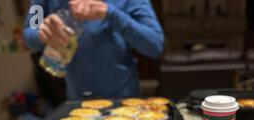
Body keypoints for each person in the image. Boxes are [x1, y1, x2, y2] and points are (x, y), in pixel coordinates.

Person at [23, 0, 164, 99]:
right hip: (75, 99)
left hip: (123, 99)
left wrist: (112, 14)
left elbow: (155, 45)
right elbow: (29, 32)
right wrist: (41, 34)